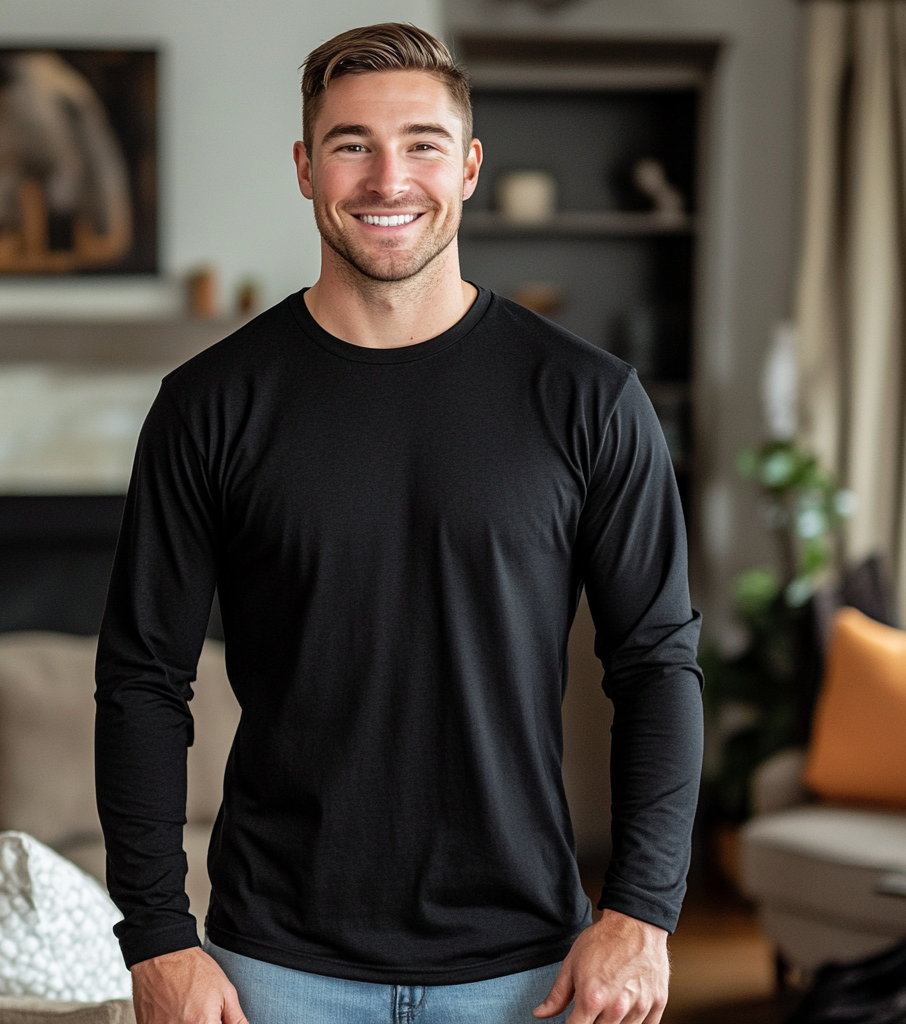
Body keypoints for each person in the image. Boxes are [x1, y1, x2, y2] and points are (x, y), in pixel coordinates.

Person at [95, 22, 703, 1024]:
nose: (388, 179)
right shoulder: (208, 405)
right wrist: (157, 935)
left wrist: (640, 910)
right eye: (350, 145)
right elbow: (141, 682)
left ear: (466, 167)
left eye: (421, 144)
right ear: (304, 168)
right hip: (270, 969)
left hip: (528, 969)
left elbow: (655, 665)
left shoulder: (588, 399)